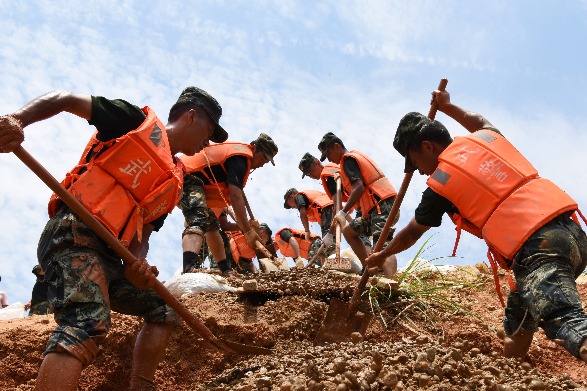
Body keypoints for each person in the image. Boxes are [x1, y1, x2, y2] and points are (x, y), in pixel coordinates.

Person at [0, 86, 228, 390]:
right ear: (191, 116)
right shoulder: (134, 121)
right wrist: (18, 119)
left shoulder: (174, 183)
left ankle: (140, 386)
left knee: (164, 308)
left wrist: (138, 265)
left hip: (108, 256)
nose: (208, 142)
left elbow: (141, 236)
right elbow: (65, 99)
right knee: (86, 321)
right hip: (75, 234)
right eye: (210, 130)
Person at [366, 87, 587, 363]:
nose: (418, 171)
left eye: (413, 162)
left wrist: (382, 254)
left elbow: (413, 230)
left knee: (565, 320)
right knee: (518, 321)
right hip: (571, 233)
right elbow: (479, 121)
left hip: (537, 248)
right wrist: (448, 107)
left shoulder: (442, 180)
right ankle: (513, 368)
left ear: (427, 147)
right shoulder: (486, 140)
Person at [179, 133, 278, 276]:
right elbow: (236, 197)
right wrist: (248, 231)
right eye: (263, 158)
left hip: (198, 182)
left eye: (267, 161)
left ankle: (225, 270)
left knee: (212, 225)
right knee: (198, 218)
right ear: (254, 148)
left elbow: (224, 225)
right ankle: (189, 268)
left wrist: (247, 227)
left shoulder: (239, 163)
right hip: (187, 175)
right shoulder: (240, 159)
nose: (263, 164)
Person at [317, 133, 399, 277]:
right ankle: (370, 268)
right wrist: (331, 233)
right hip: (372, 209)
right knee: (349, 231)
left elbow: (359, 188)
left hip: (382, 205)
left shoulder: (348, 160)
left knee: (381, 244)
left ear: (337, 147)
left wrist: (344, 212)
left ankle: (391, 283)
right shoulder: (346, 163)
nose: (329, 159)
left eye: (328, 153)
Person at [283, 187, 334, 266]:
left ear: (291, 197)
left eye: (290, 205)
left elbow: (302, 214)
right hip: (330, 210)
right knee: (327, 241)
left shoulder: (298, 197)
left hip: (327, 210)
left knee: (329, 242)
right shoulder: (307, 200)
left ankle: (336, 262)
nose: (293, 208)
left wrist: (307, 231)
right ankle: (327, 266)